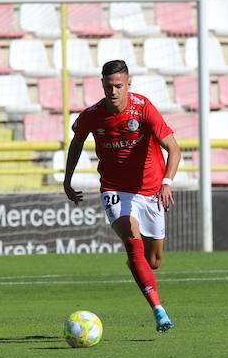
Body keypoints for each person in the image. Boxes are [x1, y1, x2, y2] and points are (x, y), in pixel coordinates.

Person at [63, 60, 182, 334]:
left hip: (151, 191)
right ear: (102, 85)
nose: (113, 91)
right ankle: (159, 310)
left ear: (128, 84)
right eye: (108, 86)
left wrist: (166, 182)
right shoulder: (93, 115)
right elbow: (76, 142)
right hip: (115, 189)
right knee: (131, 240)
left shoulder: (143, 108)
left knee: (153, 262)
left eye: (118, 85)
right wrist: (67, 180)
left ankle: (137, 262)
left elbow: (174, 149)